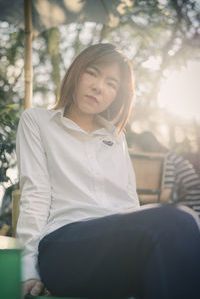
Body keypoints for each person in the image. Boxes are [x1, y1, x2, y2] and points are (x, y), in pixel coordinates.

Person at [16, 43, 200, 299]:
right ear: (75, 73)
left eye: (111, 84)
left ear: (118, 95)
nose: (99, 87)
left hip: (116, 247)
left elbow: (128, 202)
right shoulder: (37, 121)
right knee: (178, 221)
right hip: (63, 247)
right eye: (92, 72)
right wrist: (27, 269)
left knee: (188, 229)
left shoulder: (116, 137)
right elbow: (34, 195)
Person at [130, 131, 200, 218]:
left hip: (193, 212)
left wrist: (134, 197)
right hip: (188, 209)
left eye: (138, 152)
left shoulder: (165, 160)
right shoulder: (168, 156)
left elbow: (164, 197)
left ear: (146, 148)